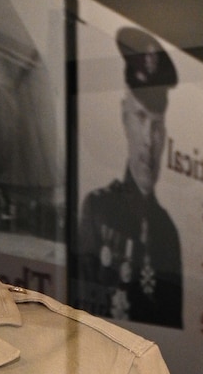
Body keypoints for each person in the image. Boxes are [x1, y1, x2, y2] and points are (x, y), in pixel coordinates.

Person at [78, 27, 184, 327]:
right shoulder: (99, 211)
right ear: (124, 116)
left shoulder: (168, 234)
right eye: (141, 117)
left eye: (158, 125)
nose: (150, 140)